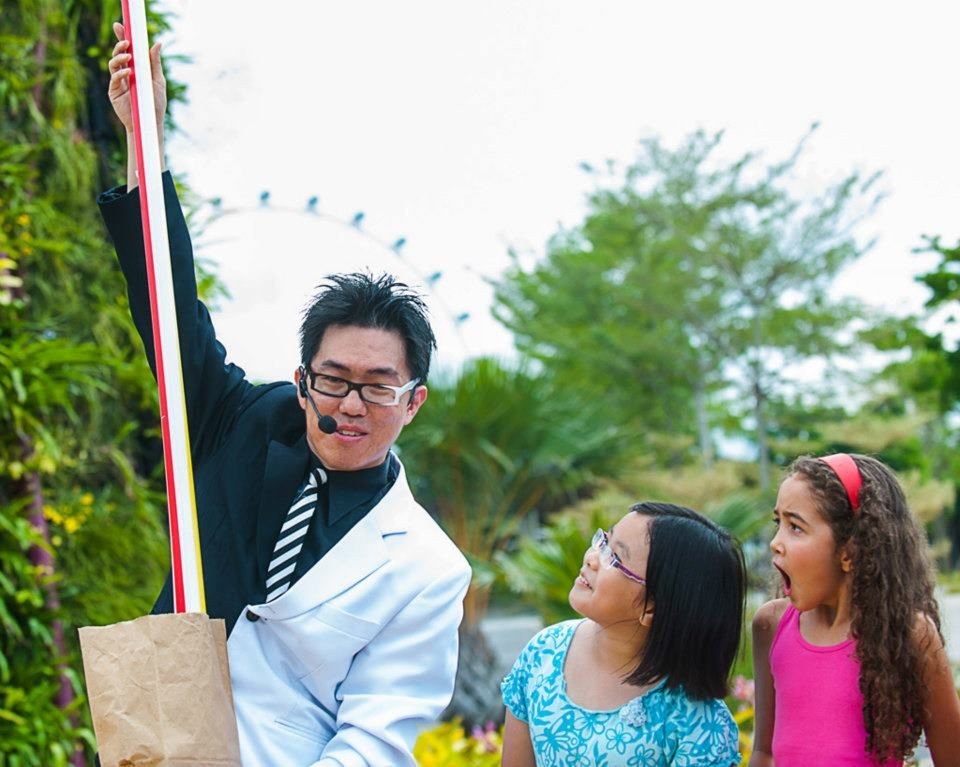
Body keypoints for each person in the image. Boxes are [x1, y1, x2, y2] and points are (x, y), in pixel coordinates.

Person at [102, 24, 471, 766]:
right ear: (302, 380)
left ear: (415, 401)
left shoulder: (429, 570)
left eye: (378, 386)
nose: (352, 404)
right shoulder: (237, 420)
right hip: (150, 731)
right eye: (333, 379)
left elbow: (374, 738)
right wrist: (146, 138)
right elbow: (167, 305)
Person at [750, 453, 960, 766]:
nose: (775, 542)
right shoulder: (770, 625)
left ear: (850, 550)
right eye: (777, 522)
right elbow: (764, 753)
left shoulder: (908, 635)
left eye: (795, 526)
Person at [500, 502, 746, 767]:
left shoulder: (698, 722)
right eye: (604, 540)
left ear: (652, 607)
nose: (592, 557)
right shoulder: (544, 651)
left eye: (614, 557)